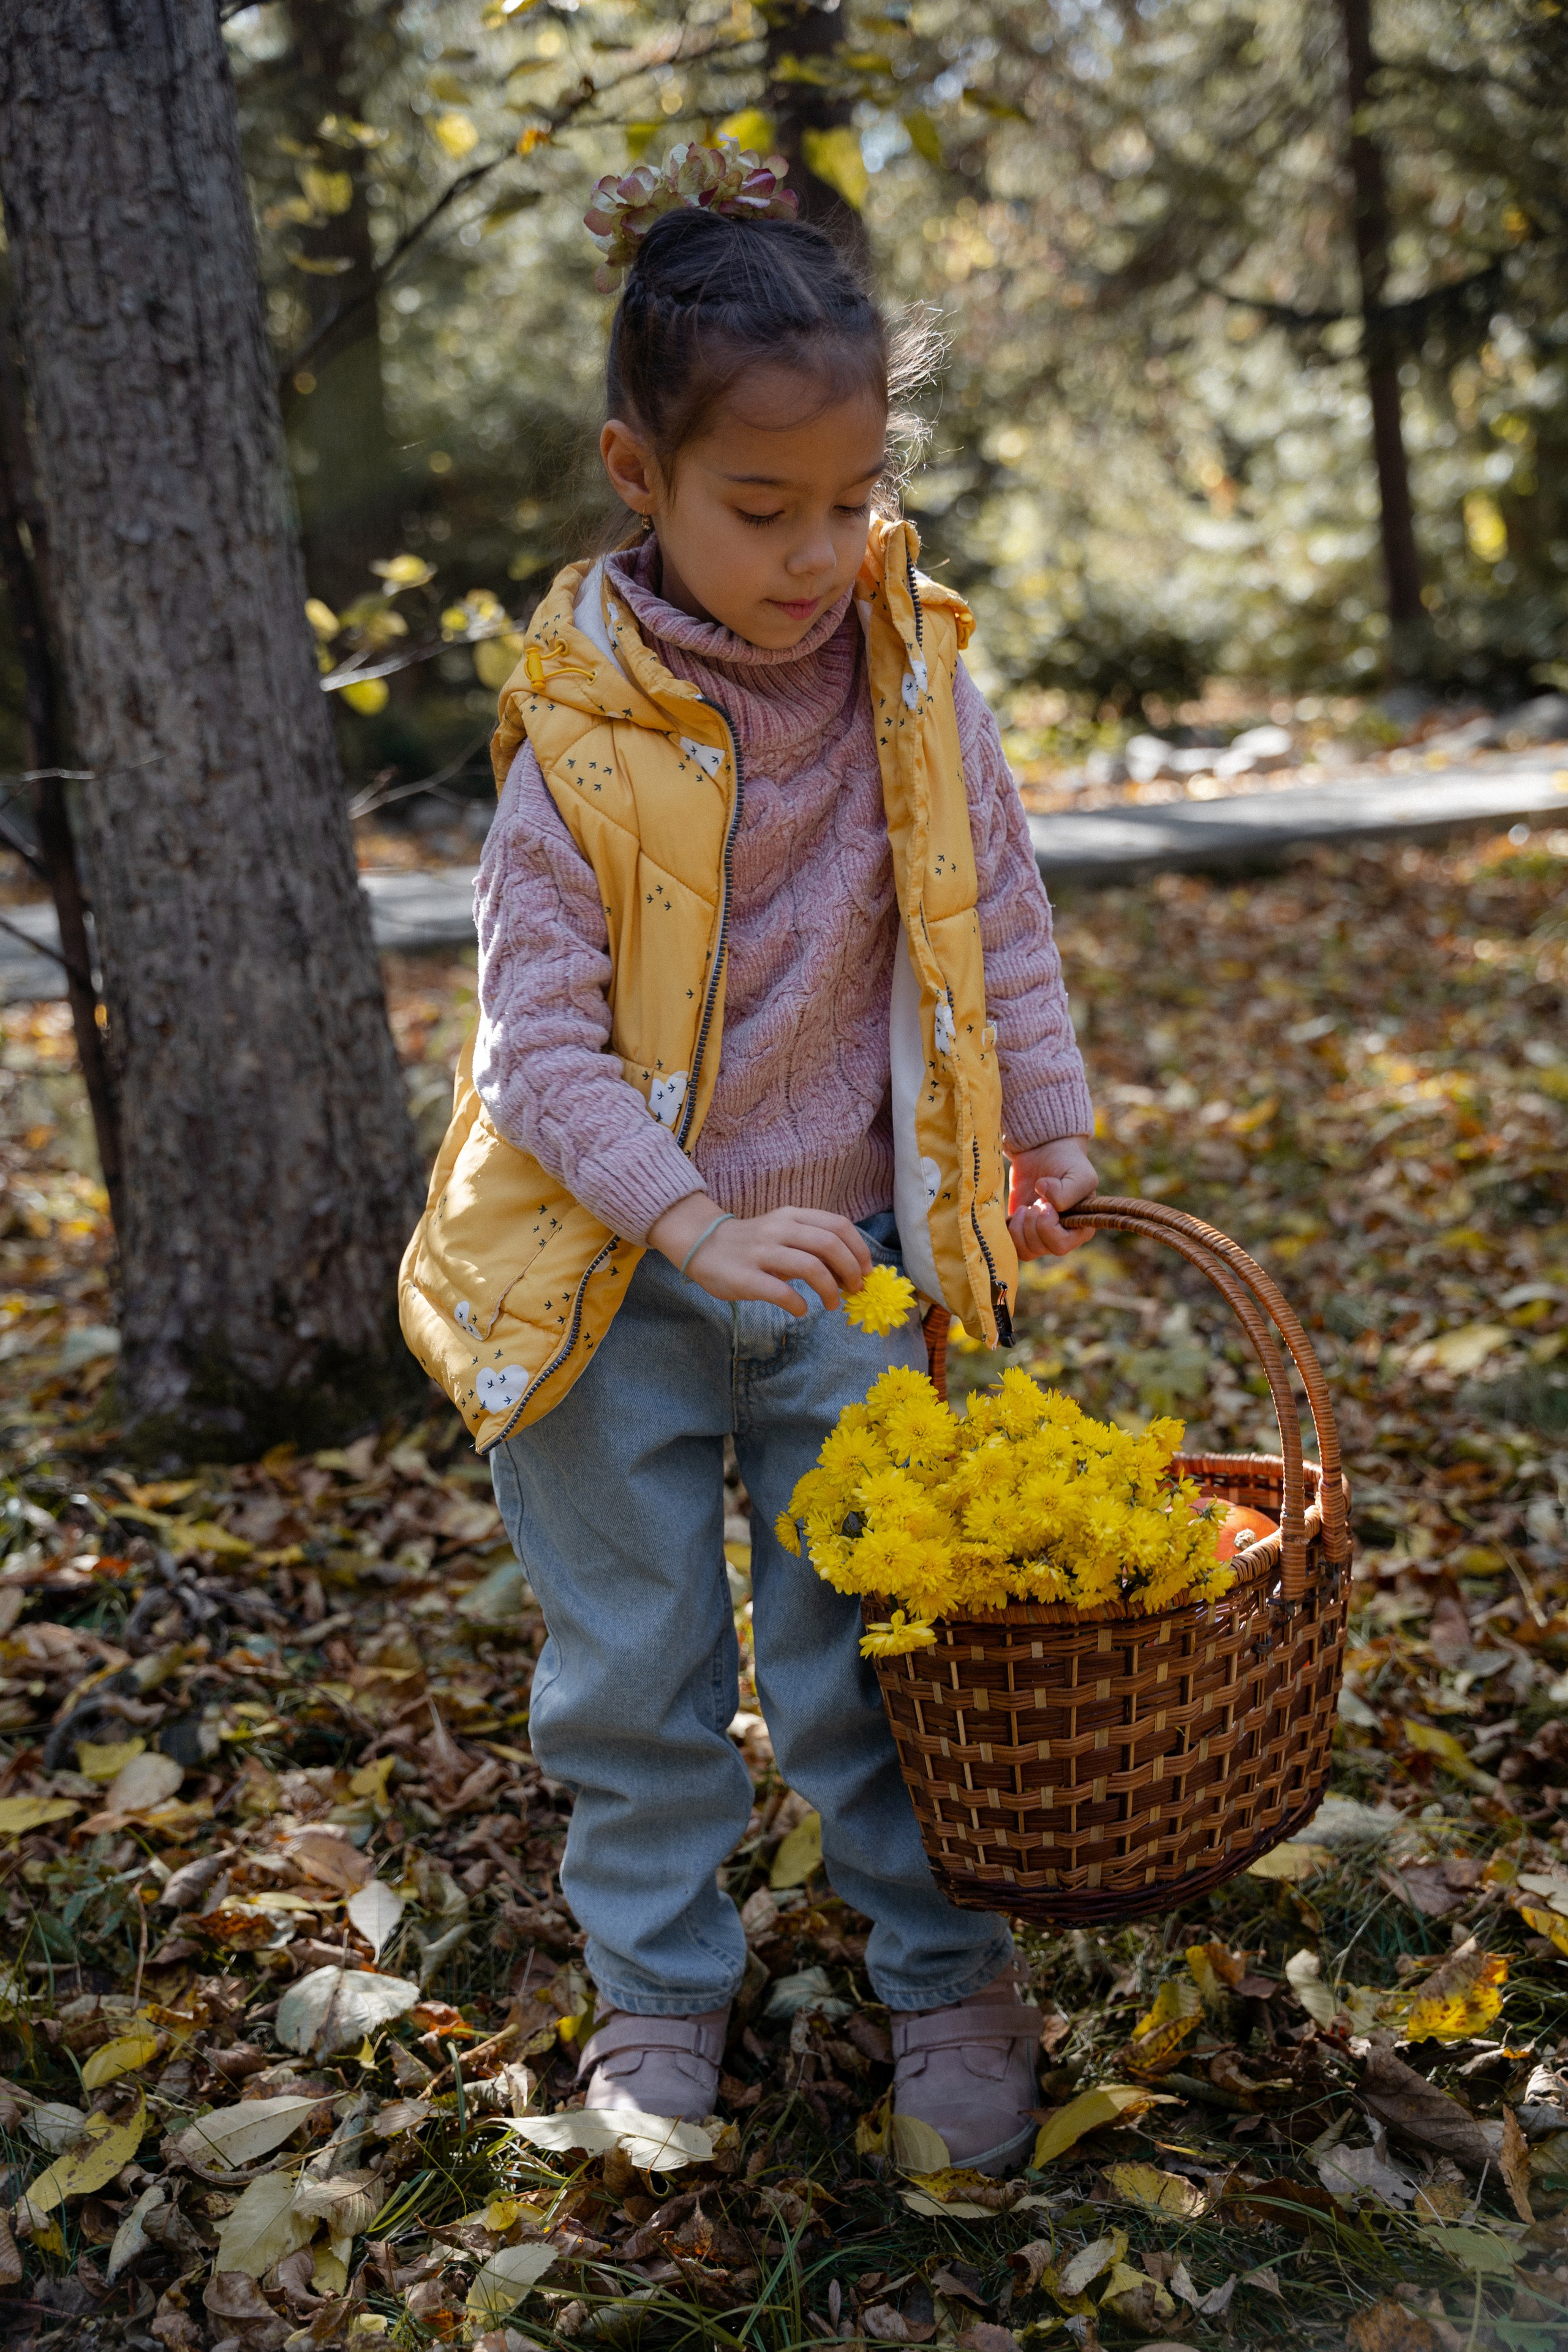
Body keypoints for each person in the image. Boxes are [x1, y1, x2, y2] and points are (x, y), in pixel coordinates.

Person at [399, 148, 1098, 2176]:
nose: (814, 555)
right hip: (614, 1279)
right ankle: (660, 1997)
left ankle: (949, 1979)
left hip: (848, 1267)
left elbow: (997, 926)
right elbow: (538, 1055)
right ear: (641, 473)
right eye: (757, 508)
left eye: (850, 502)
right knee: (633, 1679)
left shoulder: (914, 683)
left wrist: (1033, 1135)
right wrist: (691, 1217)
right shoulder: (576, 744)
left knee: (880, 1648)